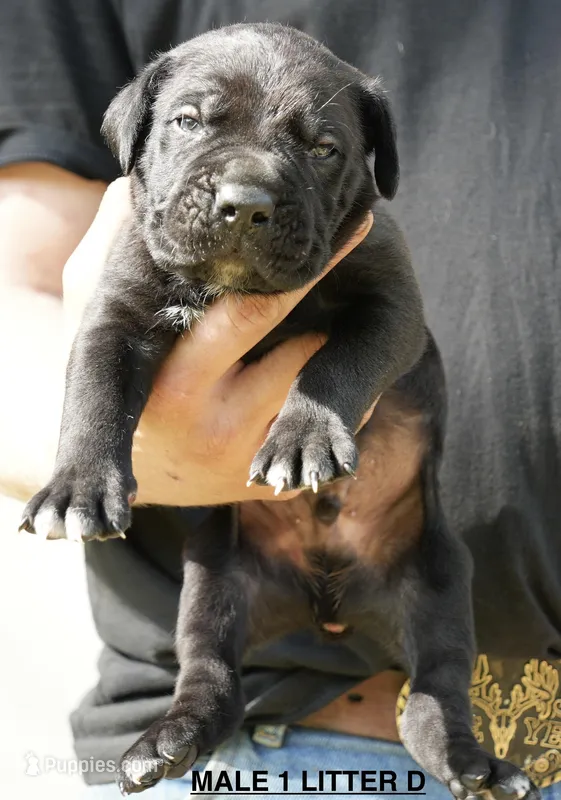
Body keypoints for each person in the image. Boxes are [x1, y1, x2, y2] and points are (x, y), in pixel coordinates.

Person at [1, 1, 561, 798]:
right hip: (254, 750)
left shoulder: (357, 237)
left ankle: (441, 718)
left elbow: (388, 318)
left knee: (433, 574)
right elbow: (66, 318)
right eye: (194, 124)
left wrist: (319, 405)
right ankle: (200, 706)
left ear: (373, 166)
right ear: (137, 132)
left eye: (322, 147)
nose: (247, 189)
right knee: (216, 572)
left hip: (466, 643)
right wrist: (94, 460)